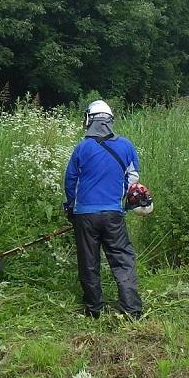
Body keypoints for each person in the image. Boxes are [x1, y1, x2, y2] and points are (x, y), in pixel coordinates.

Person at [63, 100, 144, 319]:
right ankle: (132, 310)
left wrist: (70, 206)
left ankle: (94, 310)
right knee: (122, 259)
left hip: (85, 215)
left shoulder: (82, 148)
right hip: (113, 214)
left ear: (89, 120)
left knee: (89, 261)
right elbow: (133, 178)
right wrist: (120, 199)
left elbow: (70, 181)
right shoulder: (126, 146)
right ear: (110, 121)